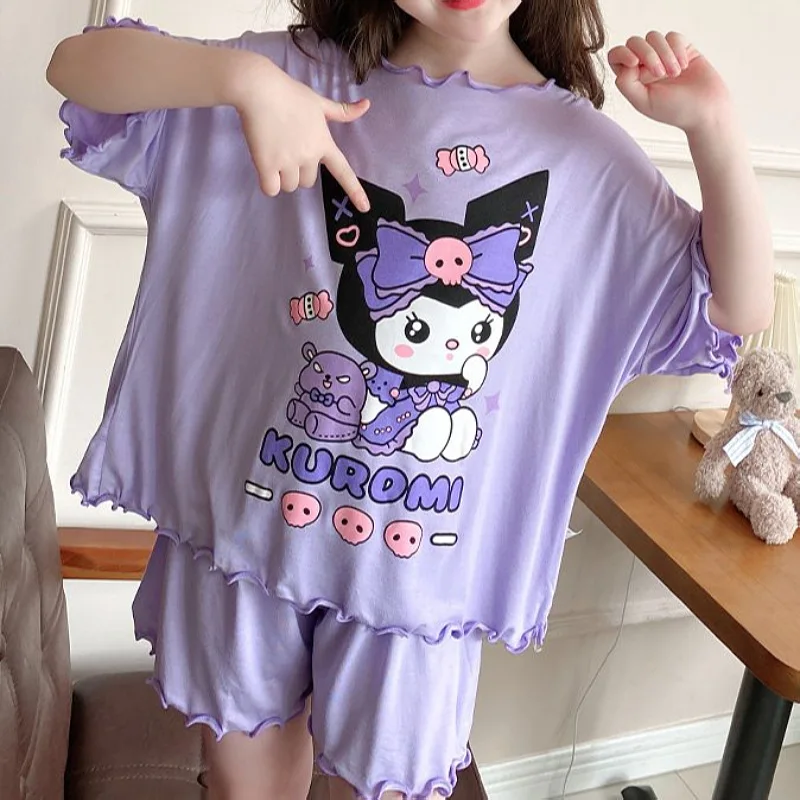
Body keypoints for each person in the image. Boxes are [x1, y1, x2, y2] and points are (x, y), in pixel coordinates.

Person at [47, 1, 773, 797]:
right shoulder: (298, 75)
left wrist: (713, 125)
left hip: (417, 584)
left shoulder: (584, 156)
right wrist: (242, 80)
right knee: (243, 787)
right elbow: (78, 70)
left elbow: (736, 307)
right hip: (247, 539)